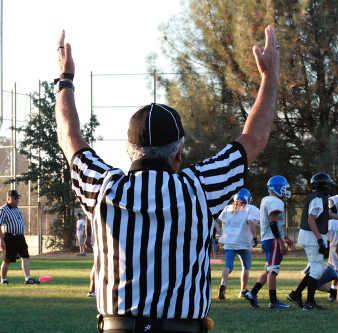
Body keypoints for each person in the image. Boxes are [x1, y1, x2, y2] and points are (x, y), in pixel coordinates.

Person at [55, 24, 280, 332]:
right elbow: (253, 138)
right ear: (179, 153)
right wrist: (269, 77)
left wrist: (65, 80)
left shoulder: (103, 188)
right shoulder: (200, 188)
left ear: (130, 149)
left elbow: (69, 136)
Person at [244, 175, 291, 309]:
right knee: (273, 271)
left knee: (268, 269)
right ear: (276, 188)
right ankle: (273, 301)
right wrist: (280, 241)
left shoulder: (266, 199)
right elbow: (273, 223)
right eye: (283, 188)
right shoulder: (275, 201)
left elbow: (274, 223)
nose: (285, 190)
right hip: (272, 240)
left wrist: (284, 238)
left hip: (268, 239)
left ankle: (252, 293)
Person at [289, 173, 334, 310]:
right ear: (323, 185)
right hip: (313, 237)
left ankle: (296, 294)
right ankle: (309, 303)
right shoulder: (317, 199)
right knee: (317, 269)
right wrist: (320, 240)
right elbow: (311, 219)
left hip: (313, 236)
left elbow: (327, 215)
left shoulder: (319, 197)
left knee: (315, 269)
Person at [217, 188, 260, 300]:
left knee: (228, 266)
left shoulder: (227, 208)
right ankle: (242, 291)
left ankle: (223, 284)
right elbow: (251, 223)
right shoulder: (251, 208)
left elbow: (222, 224)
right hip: (244, 242)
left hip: (230, 242)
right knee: (245, 267)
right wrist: (255, 237)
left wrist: (222, 237)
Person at [0, 190, 39, 285]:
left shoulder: (17, 209)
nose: (17, 200)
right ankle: (3, 279)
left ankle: (27, 278)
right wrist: (1, 241)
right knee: (8, 260)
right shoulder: (3, 210)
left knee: (25, 257)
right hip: (10, 237)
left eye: (18, 198)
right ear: (9, 198)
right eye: (15, 198)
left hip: (20, 237)